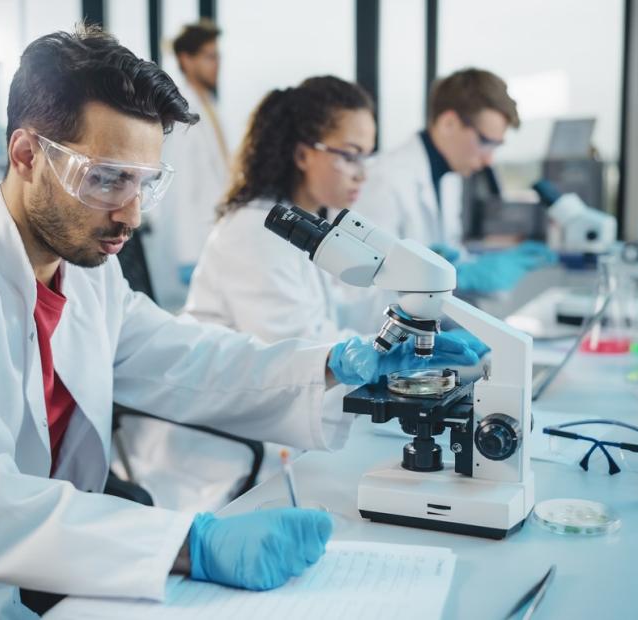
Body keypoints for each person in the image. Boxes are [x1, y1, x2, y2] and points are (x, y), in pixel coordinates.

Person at [0, 28, 475, 619]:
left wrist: (334, 364)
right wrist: (189, 545)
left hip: (28, 582)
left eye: (145, 182)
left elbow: (192, 362)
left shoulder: (89, 275)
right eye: (106, 179)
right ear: (27, 154)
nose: (130, 213)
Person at [116, 76, 486, 514]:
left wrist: (404, 308)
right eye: (349, 155)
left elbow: (336, 313)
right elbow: (290, 348)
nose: (362, 172)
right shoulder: (255, 232)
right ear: (302, 153)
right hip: (230, 459)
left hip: (284, 429)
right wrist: (366, 360)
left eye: (367, 156)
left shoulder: (311, 228)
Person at [355, 68, 555, 294]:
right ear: (449, 123)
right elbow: (360, 289)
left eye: (495, 147)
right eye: (485, 142)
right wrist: (438, 279)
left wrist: (465, 267)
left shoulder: (451, 179)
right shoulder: (383, 180)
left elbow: (451, 252)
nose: (489, 159)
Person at [143, 20, 230, 310]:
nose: (216, 64)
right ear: (186, 59)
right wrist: (187, 254)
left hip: (211, 235)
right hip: (191, 245)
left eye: (217, 56)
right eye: (208, 56)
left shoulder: (208, 104)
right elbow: (178, 188)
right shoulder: (180, 111)